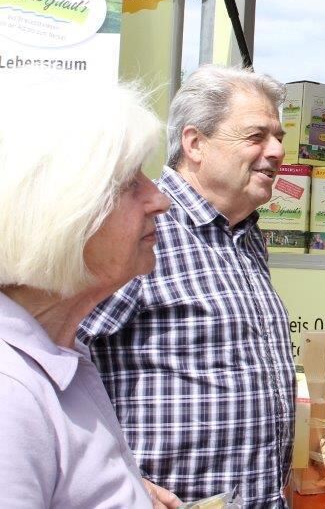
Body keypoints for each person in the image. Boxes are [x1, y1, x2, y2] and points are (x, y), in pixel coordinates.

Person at [79, 66, 296, 507]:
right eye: (257, 136)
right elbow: (50, 359)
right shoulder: (141, 227)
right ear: (195, 144)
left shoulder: (243, 233)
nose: (276, 151)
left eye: (278, 136)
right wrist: (112, 474)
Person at [0, 78, 179, 508]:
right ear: (60, 209)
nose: (160, 199)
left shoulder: (59, 355)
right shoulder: (9, 393)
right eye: (130, 183)